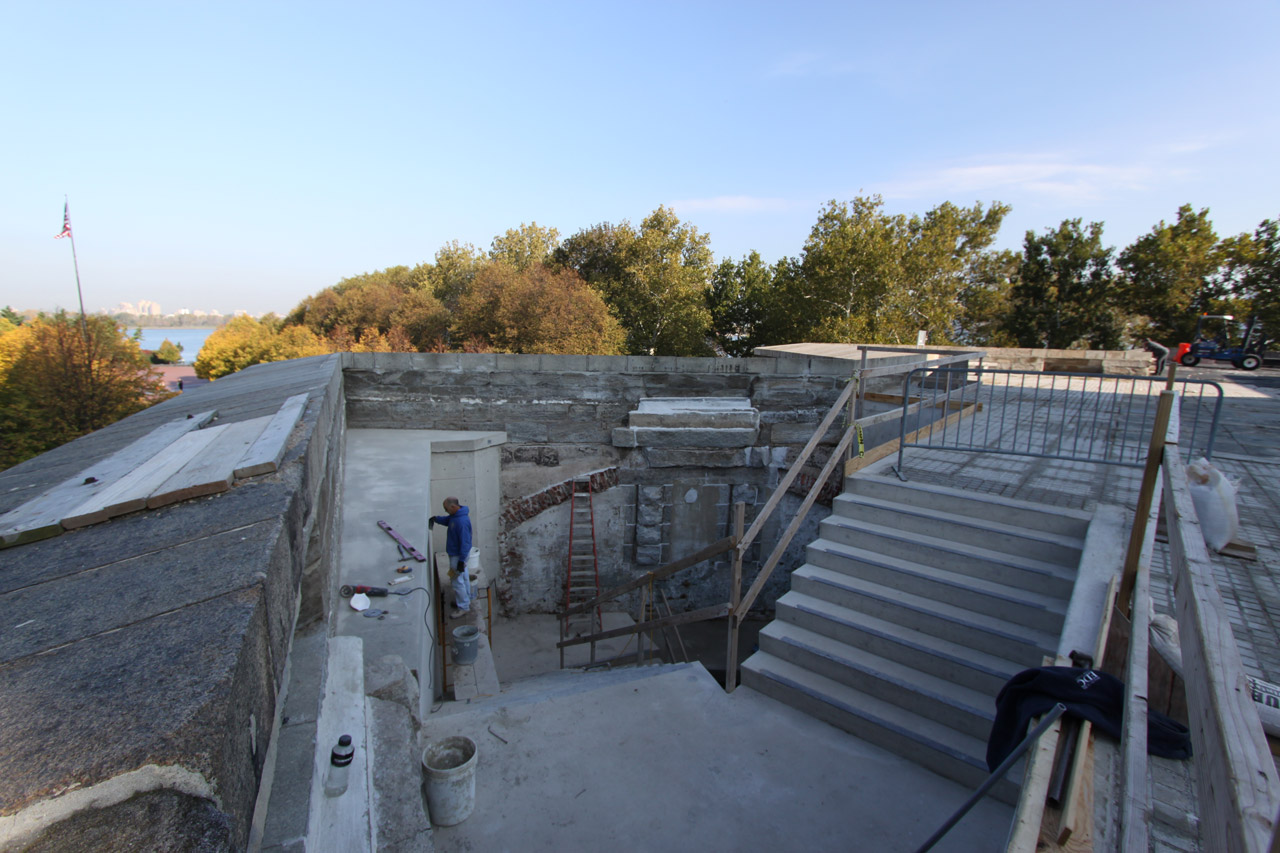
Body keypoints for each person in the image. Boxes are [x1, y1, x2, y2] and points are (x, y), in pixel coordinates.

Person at [429, 497, 473, 618]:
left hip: (458, 555)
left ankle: (463, 607)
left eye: (446, 509)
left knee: (456, 580)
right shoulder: (456, 516)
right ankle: (466, 599)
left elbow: (465, 543)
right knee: (463, 577)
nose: (446, 511)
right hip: (458, 555)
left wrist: (461, 560)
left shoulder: (461, 522)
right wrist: (436, 519)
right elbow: (448, 520)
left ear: (453, 507)